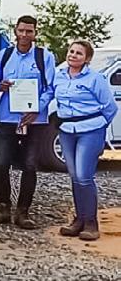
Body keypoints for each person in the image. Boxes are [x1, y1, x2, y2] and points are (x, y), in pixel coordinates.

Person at [0, 15, 56, 229]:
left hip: (34, 121)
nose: (25, 35)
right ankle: (3, 208)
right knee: (0, 164)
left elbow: (50, 89)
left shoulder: (44, 57)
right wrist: (0, 86)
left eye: (29, 31)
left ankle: (23, 212)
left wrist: (37, 108)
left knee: (30, 165)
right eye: (21, 30)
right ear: (15, 31)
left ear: (35, 33)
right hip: (8, 118)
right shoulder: (4, 55)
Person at [54, 40, 117, 241]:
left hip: (90, 130)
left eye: (79, 53)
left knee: (84, 176)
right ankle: (79, 220)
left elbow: (110, 107)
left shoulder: (95, 79)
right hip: (66, 130)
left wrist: (99, 127)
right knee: (74, 176)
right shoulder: (59, 76)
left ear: (87, 58)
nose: (73, 55)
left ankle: (91, 222)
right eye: (71, 51)